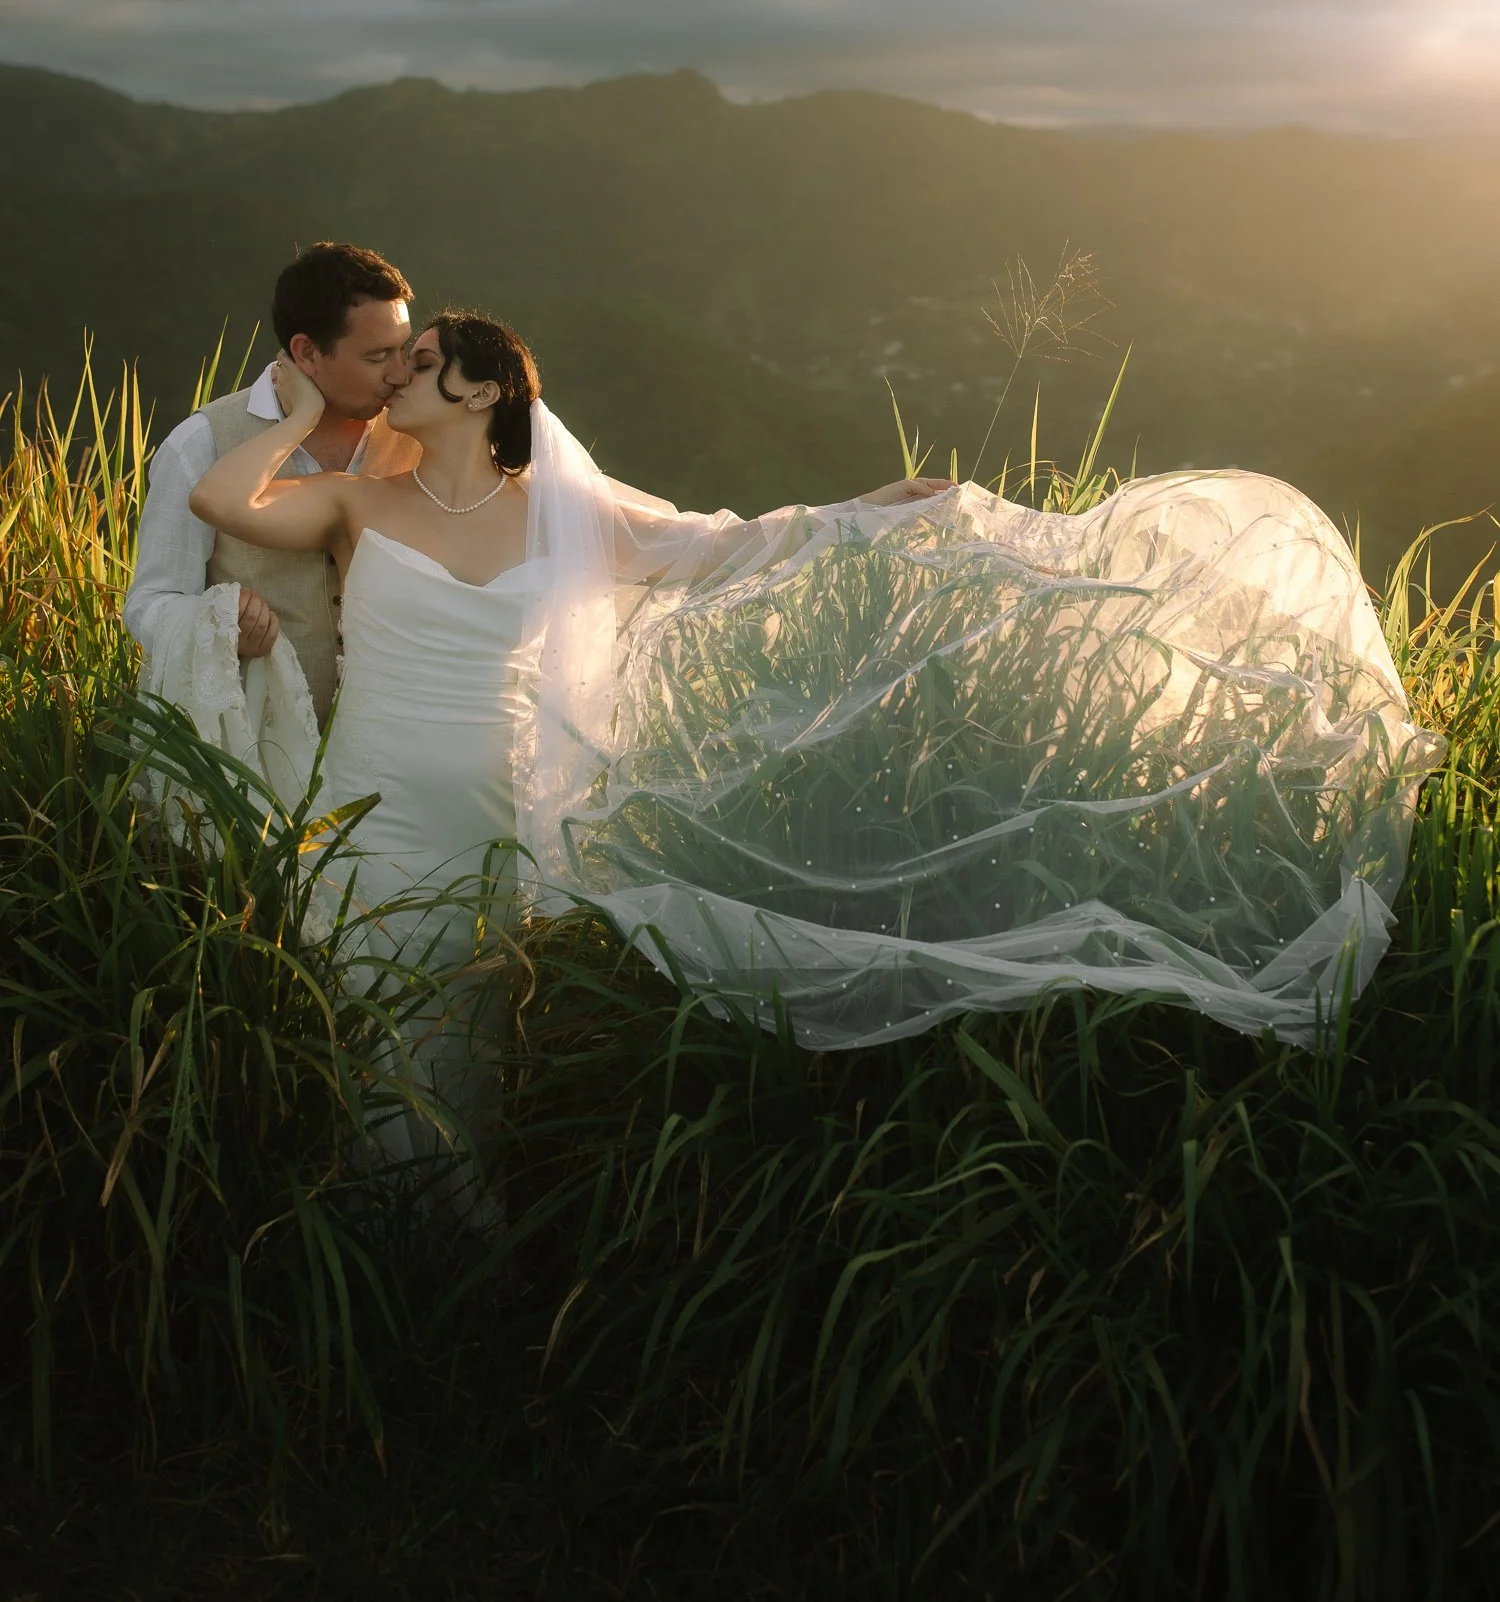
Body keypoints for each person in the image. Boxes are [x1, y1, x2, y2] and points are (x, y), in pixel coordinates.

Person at [187, 306, 1442, 1079]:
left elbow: (721, 543)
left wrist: (862, 514)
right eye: (394, 359)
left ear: (480, 392)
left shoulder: (570, 518)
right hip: (375, 811)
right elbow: (219, 502)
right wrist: (297, 412)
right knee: (364, 1030)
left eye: (419, 361)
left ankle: (460, 1276)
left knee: (477, 1046)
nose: (393, 375)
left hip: (494, 819)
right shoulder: (363, 498)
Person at [126, 242, 421, 793]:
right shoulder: (203, 442)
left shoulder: (421, 432)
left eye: (404, 350)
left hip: (391, 747)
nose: (400, 374)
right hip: (253, 754)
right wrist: (218, 621)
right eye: (377, 357)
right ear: (307, 353)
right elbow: (149, 603)